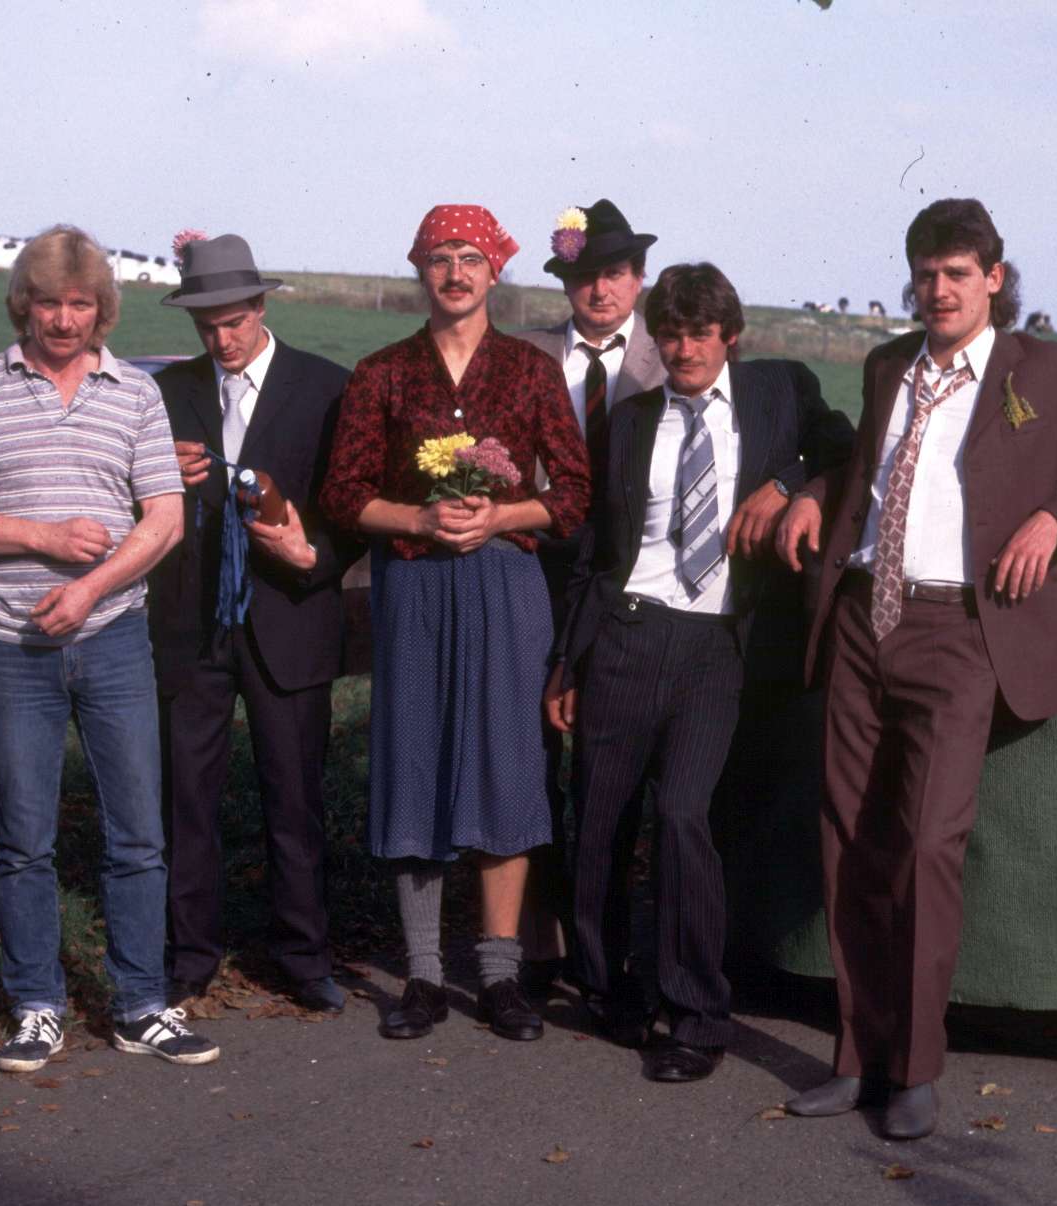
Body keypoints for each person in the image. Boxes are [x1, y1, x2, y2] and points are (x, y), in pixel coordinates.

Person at [775, 198, 1057, 1137]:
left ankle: (914, 1070)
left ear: (993, 278)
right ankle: (855, 1059)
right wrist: (813, 492)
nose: (938, 290)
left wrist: (1054, 519)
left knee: (928, 844)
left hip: (961, 631)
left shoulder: (1045, 371)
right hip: (863, 617)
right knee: (846, 840)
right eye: (925, 275)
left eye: (956, 274)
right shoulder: (887, 365)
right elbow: (867, 468)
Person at [544, 263, 852, 1082]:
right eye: (671, 334)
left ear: (730, 337)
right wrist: (569, 661)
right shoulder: (630, 421)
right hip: (626, 633)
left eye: (700, 334)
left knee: (683, 814)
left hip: (716, 646)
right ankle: (608, 987)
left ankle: (697, 1015)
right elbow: (597, 554)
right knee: (599, 824)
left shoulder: (778, 392)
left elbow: (844, 445)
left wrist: (787, 486)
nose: (684, 350)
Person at [0, 225, 218, 1072]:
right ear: (24, 304)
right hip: (13, 646)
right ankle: (36, 1007)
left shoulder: (136, 394)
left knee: (138, 835)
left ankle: (140, 1005)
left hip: (115, 637)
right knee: (25, 840)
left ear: (102, 310)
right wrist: (45, 538)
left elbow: (164, 518)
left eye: (80, 303)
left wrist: (89, 588)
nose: (62, 319)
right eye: (48, 302)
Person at [319, 204, 591, 1043]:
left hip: (506, 585)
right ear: (420, 270)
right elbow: (343, 493)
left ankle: (501, 975)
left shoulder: (531, 370)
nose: (455, 273)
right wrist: (419, 518)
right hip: (415, 586)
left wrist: (502, 515)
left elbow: (574, 492)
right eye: (440, 257)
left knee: (506, 762)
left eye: (471, 257)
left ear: (496, 270)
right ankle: (425, 976)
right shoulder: (383, 374)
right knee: (417, 760)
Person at [148, 232, 356, 1014]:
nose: (222, 340)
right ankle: (188, 957)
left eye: (234, 322)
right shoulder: (164, 393)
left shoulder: (327, 389)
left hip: (290, 621)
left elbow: (351, 507)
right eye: (206, 327)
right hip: (190, 625)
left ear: (263, 307)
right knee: (185, 799)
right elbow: (130, 497)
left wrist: (314, 555)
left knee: (294, 798)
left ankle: (304, 957)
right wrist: (150, 473)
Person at [512, 198, 666, 999]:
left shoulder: (670, 357)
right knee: (531, 755)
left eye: (614, 274)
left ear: (637, 278)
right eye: (583, 277)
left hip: (632, 579)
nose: (599, 291)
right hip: (540, 568)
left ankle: (616, 946)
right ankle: (541, 941)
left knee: (611, 768)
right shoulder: (527, 355)